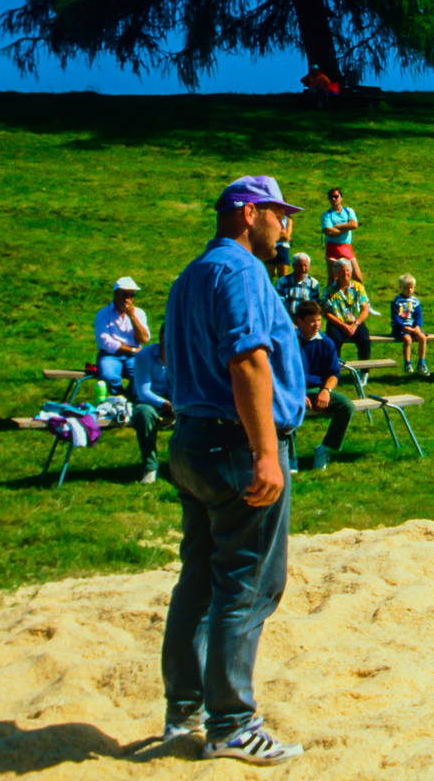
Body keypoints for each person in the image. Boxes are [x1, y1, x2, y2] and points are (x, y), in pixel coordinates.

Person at [160, 175, 305, 763]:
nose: (286, 227)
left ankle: (184, 710)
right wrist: (266, 452)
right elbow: (247, 359)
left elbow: (171, 357)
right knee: (248, 583)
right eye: (279, 215)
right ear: (247, 213)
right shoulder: (243, 271)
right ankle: (230, 723)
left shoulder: (188, 276)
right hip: (236, 442)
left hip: (193, 440)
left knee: (198, 577)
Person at [294, 300, 355, 472]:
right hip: (294, 391)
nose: (316, 325)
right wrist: (298, 395)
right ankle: (290, 458)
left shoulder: (326, 342)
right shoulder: (289, 342)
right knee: (290, 408)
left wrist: (326, 391)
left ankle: (325, 448)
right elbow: (283, 375)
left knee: (346, 406)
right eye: (312, 321)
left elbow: (334, 373)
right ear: (299, 321)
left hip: (318, 390)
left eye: (319, 320)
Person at [95, 276, 151, 395]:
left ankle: (129, 399)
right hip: (111, 355)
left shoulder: (139, 314)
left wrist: (132, 317)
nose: (128, 299)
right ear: (116, 294)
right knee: (109, 376)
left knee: (140, 375)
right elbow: (104, 341)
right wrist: (132, 349)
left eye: (132, 295)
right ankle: (120, 397)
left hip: (132, 357)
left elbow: (144, 338)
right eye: (124, 294)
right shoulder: (103, 314)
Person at [130, 335, 171, 485]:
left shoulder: (183, 354)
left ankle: (187, 466)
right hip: (148, 399)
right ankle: (150, 467)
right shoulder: (144, 355)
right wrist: (167, 405)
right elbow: (143, 392)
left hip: (173, 398)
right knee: (144, 414)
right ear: (162, 337)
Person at [322, 258, 371, 361]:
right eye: (341, 271)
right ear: (336, 273)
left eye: (347, 270)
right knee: (334, 340)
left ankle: (364, 371)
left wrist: (355, 324)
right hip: (336, 324)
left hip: (355, 322)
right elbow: (326, 313)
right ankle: (334, 369)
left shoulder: (358, 287)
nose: (345, 273)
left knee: (364, 340)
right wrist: (342, 325)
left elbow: (365, 310)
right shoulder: (329, 290)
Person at [320, 187, 362, 284]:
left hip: (346, 246)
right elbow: (329, 231)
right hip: (332, 247)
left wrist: (338, 227)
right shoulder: (326, 215)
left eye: (336, 196)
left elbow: (354, 225)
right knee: (333, 278)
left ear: (341, 198)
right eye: (331, 197)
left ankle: (361, 297)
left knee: (357, 277)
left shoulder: (348, 211)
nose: (333, 199)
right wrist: (347, 228)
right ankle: (329, 297)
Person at [390, 274, 428, 376]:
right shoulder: (397, 300)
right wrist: (404, 328)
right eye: (406, 288)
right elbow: (395, 317)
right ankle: (407, 363)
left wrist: (417, 327)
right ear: (400, 288)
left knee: (423, 338)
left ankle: (421, 363)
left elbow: (418, 316)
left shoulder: (415, 301)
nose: (409, 290)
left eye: (411, 288)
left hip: (412, 327)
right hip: (400, 328)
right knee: (407, 339)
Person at [274, 253, 320, 319]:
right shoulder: (282, 282)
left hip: (305, 320)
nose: (303, 268)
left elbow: (315, 307)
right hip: (286, 318)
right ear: (293, 266)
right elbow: (279, 305)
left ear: (309, 266)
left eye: (305, 265)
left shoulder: (314, 284)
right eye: (299, 265)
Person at [270, 214, 292, 282]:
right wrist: (280, 236)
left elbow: (286, 237)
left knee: (283, 279)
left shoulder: (288, 218)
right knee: (268, 277)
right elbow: (267, 235)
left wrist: (274, 237)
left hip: (283, 248)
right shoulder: (270, 217)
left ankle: (281, 292)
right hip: (270, 247)